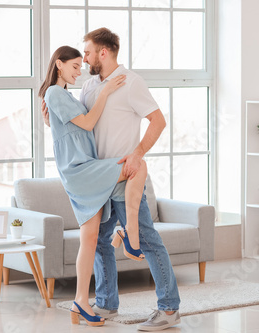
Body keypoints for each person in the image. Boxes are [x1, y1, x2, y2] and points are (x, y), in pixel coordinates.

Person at [42, 28, 181, 331]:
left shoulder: (131, 83)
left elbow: (158, 121)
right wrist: (50, 116)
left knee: (146, 238)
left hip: (120, 175)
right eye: (79, 59)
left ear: (103, 52)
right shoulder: (90, 86)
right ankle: (106, 303)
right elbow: (81, 126)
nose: (85, 59)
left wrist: (138, 154)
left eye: (88, 53)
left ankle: (169, 308)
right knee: (101, 241)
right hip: (95, 176)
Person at [38, 45, 148, 327]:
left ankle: (80, 302)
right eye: (74, 66)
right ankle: (129, 236)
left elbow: (68, 129)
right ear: (59, 65)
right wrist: (106, 91)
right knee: (135, 164)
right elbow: (87, 123)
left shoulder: (64, 96)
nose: (79, 71)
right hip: (80, 170)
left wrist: (49, 122)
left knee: (89, 240)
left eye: (80, 65)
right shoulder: (54, 92)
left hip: (85, 166)